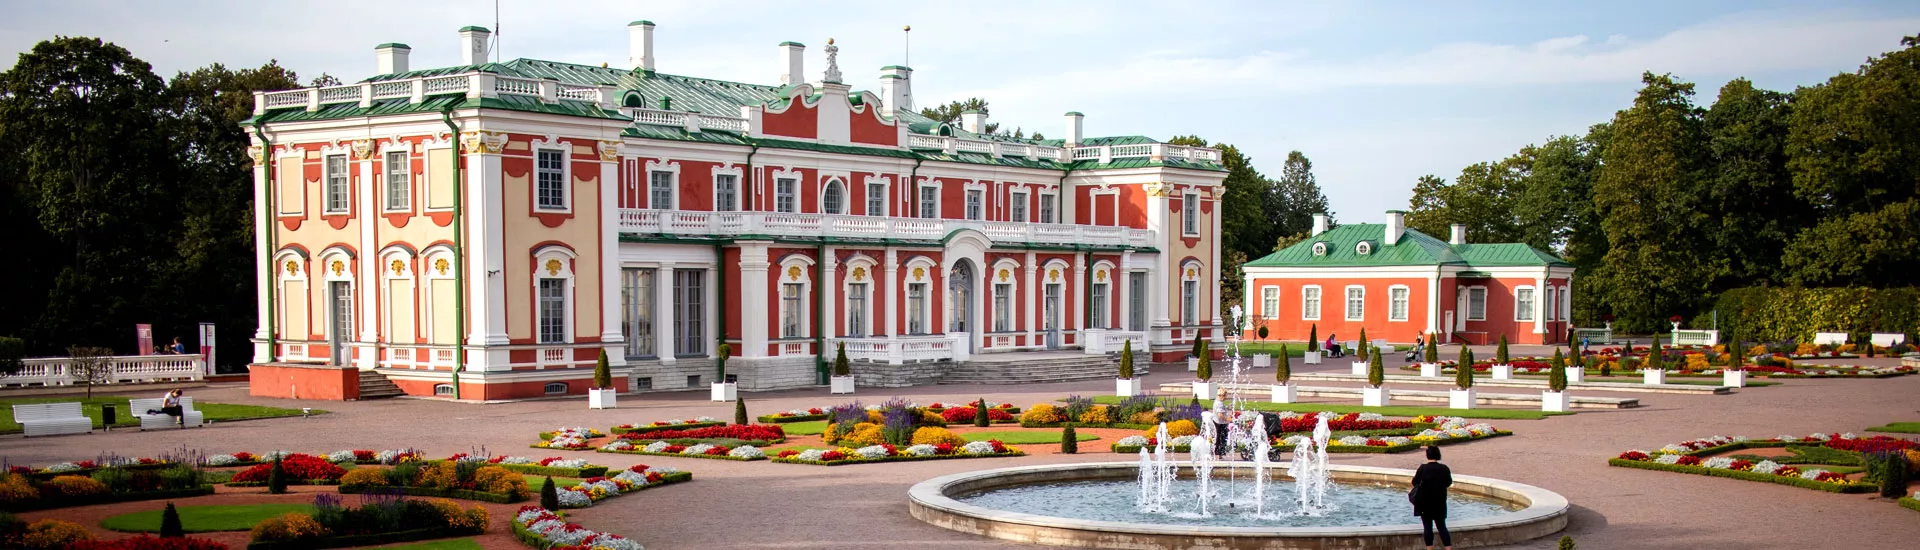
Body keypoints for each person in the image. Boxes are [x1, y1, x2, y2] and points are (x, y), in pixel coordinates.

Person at [1410, 446, 1454, 550]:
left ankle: (1430, 548)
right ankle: (1448, 548)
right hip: (1440, 502)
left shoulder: (1423, 468)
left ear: (1427, 455)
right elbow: (1448, 482)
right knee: (1442, 527)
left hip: (1425, 502)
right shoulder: (1444, 468)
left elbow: (1414, 482)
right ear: (1438, 455)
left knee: (1427, 526)